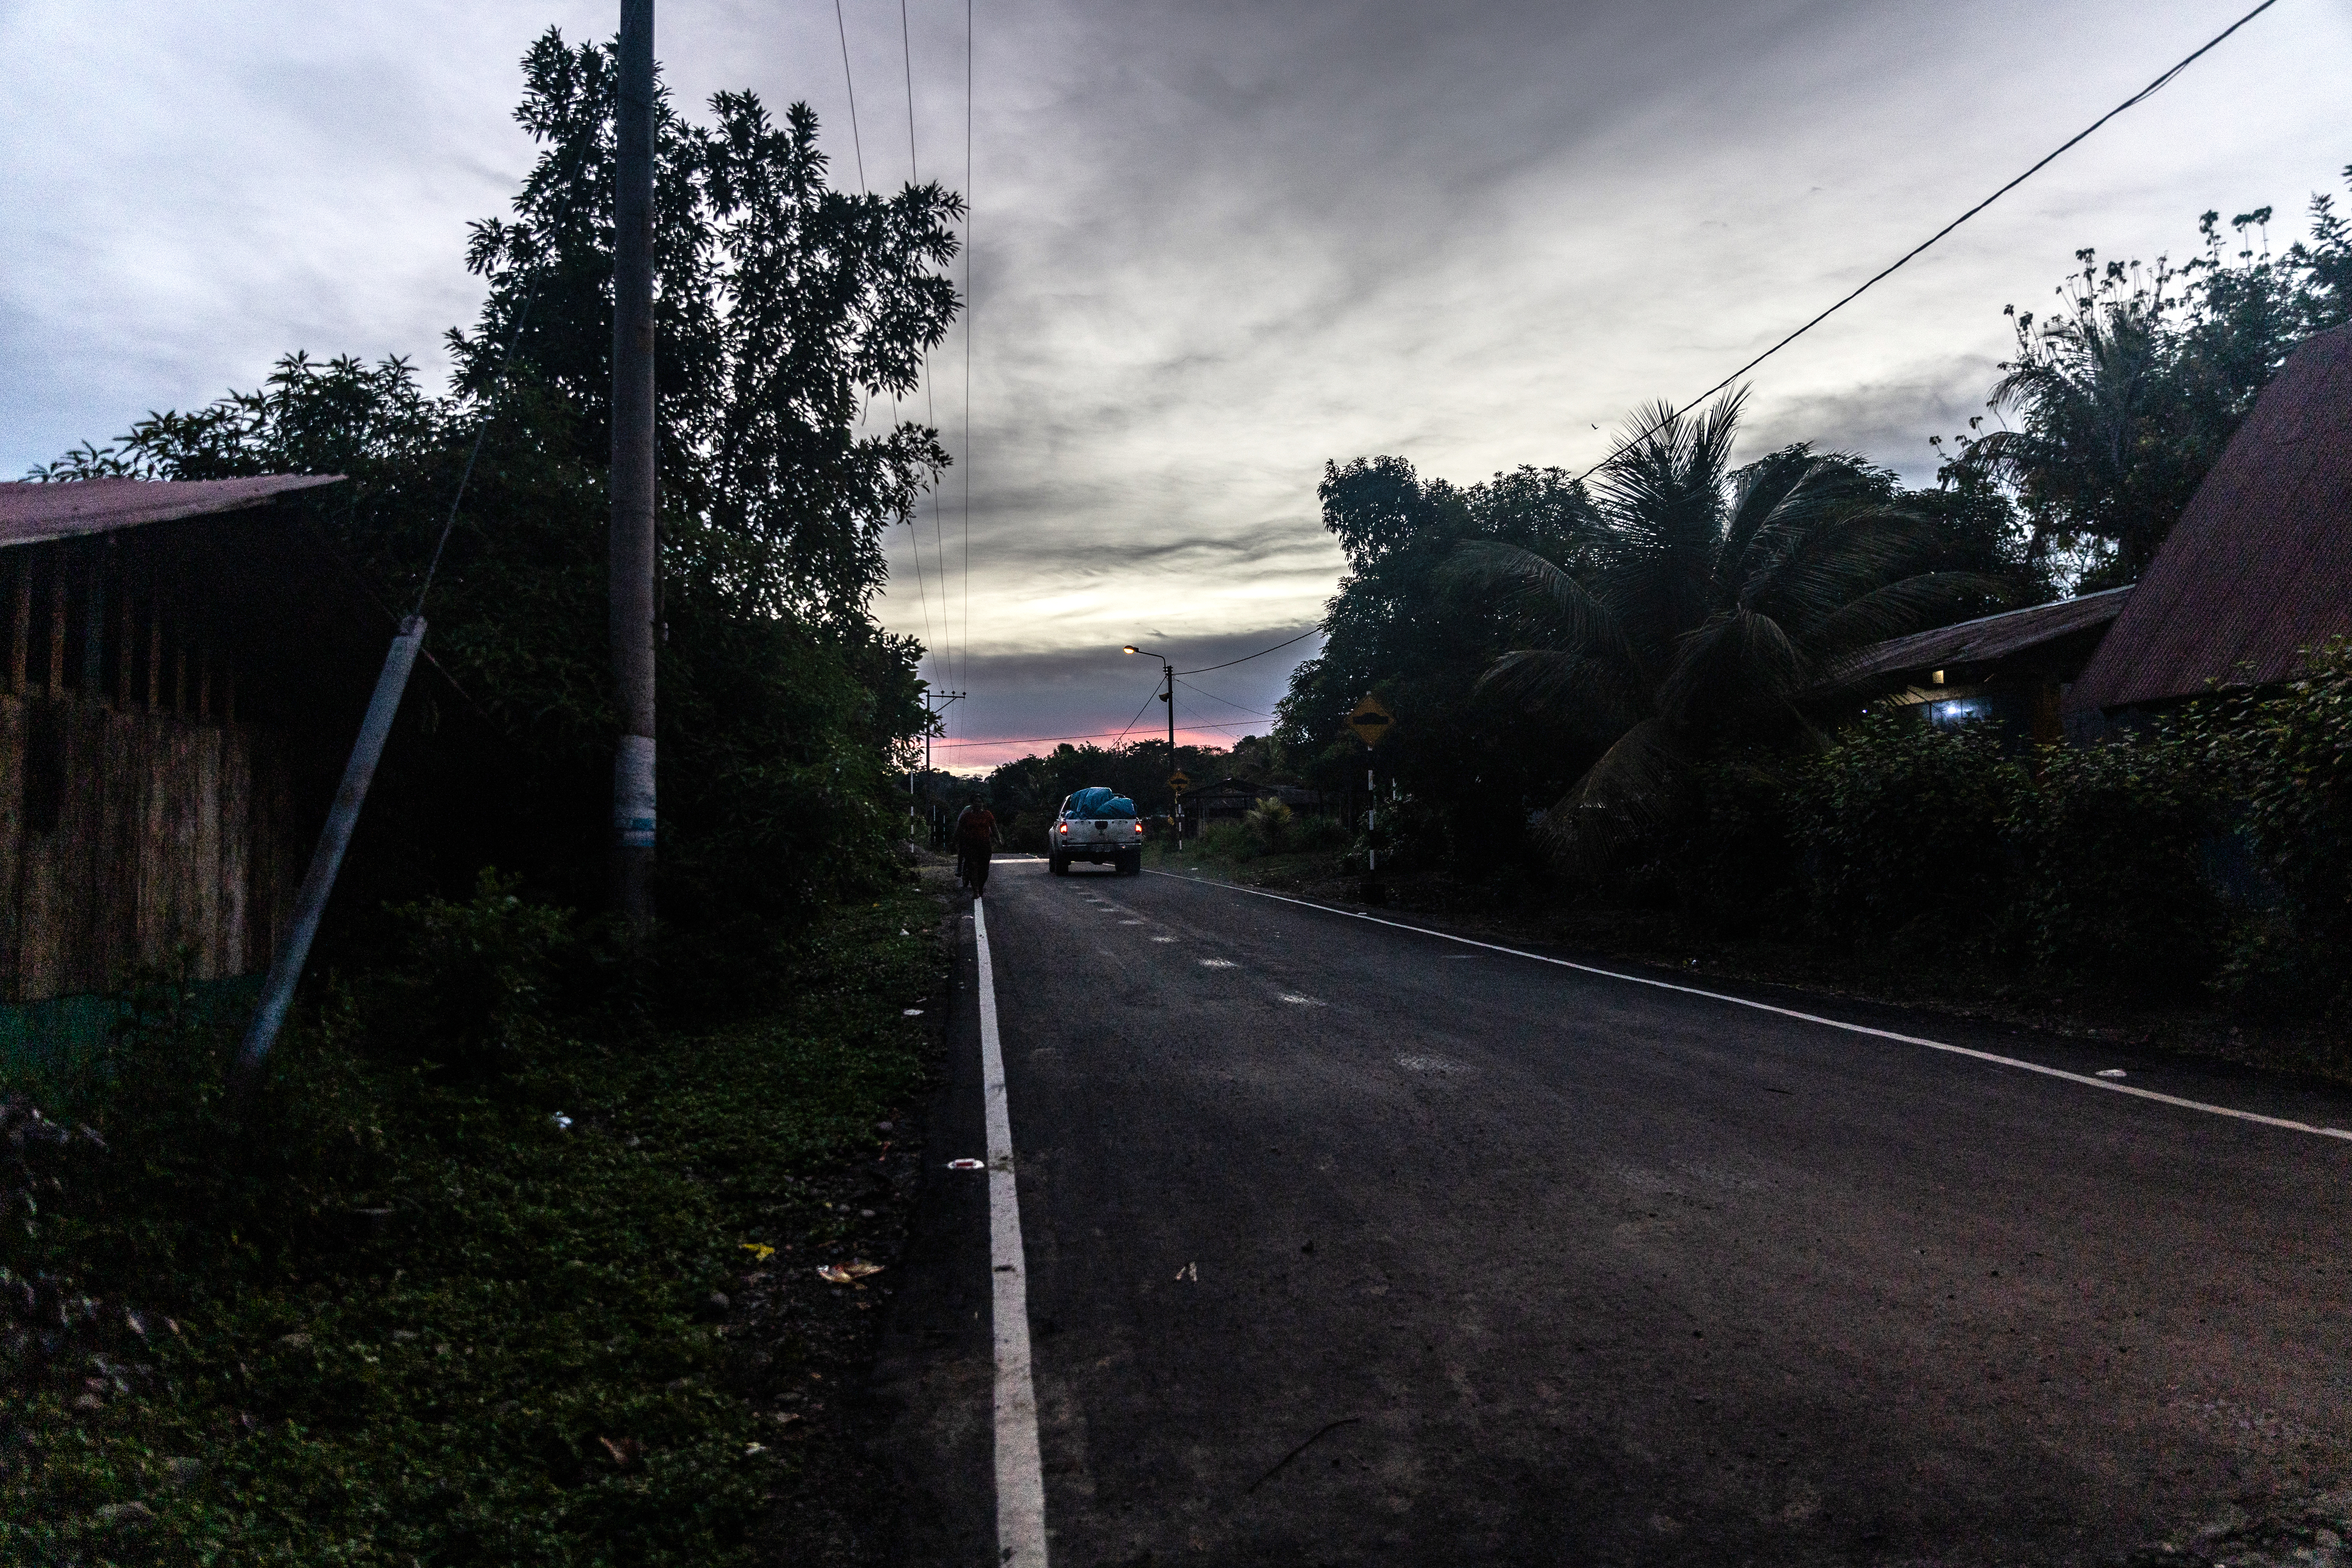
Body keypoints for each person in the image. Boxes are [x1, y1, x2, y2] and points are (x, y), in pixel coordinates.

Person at [952, 797, 998, 895]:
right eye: (975, 802)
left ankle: (979, 887)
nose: (977, 804)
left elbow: (992, 828)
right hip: (969, 841)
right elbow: (960, 825)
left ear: (982, 804)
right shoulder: (966, 813)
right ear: (972, 804)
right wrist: (956, 839)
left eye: (979, 802)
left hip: (984, 843)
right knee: (963, 850)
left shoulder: (987, 814)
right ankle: (960, 868)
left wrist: (997, 838)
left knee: (984, 867)